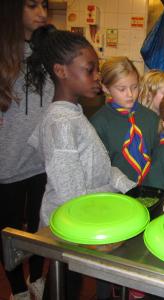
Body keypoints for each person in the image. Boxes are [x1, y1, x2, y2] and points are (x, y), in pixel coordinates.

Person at [26, 25, 136, 299]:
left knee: (66, 284)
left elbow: (97, 167)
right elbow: (71, 196)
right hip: (71, 224)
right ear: (61, 71)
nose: (97, 77)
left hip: (81, 218)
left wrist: (128, 187)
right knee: (64, 286)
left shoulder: (73, 113)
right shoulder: (61, 122)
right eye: (89, 70)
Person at [0, 1, 51, 299]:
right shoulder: (5, 52)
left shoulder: (48, 49)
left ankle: (37, 278)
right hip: (7, 161)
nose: (41, 11)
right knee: (8, 232)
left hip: (43, 160)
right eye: (32, 5)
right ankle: (18, 289)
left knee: (40, 225)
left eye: (43, 4)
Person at [90, 57, 159, 185]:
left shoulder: (151, 118)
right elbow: (98, 169)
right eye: (121, 89)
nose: (130, 94)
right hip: (115, 194)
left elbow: (159, 158)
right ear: (105, 88)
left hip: (149, 190)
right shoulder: (98, 123)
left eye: (134, 87)